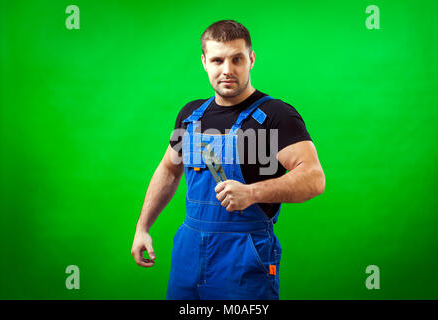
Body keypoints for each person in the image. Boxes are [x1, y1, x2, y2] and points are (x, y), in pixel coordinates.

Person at [131, 20, 325, 300]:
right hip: (188, 252)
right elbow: (170, 170)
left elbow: (314, 178)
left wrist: (252, 192)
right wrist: (142, 227)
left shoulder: (275, 116)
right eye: (217, 60)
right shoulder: (191, 115)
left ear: (251, 59)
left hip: (244, 256)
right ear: (204, 62)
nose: (227, 70)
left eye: (237, 59)